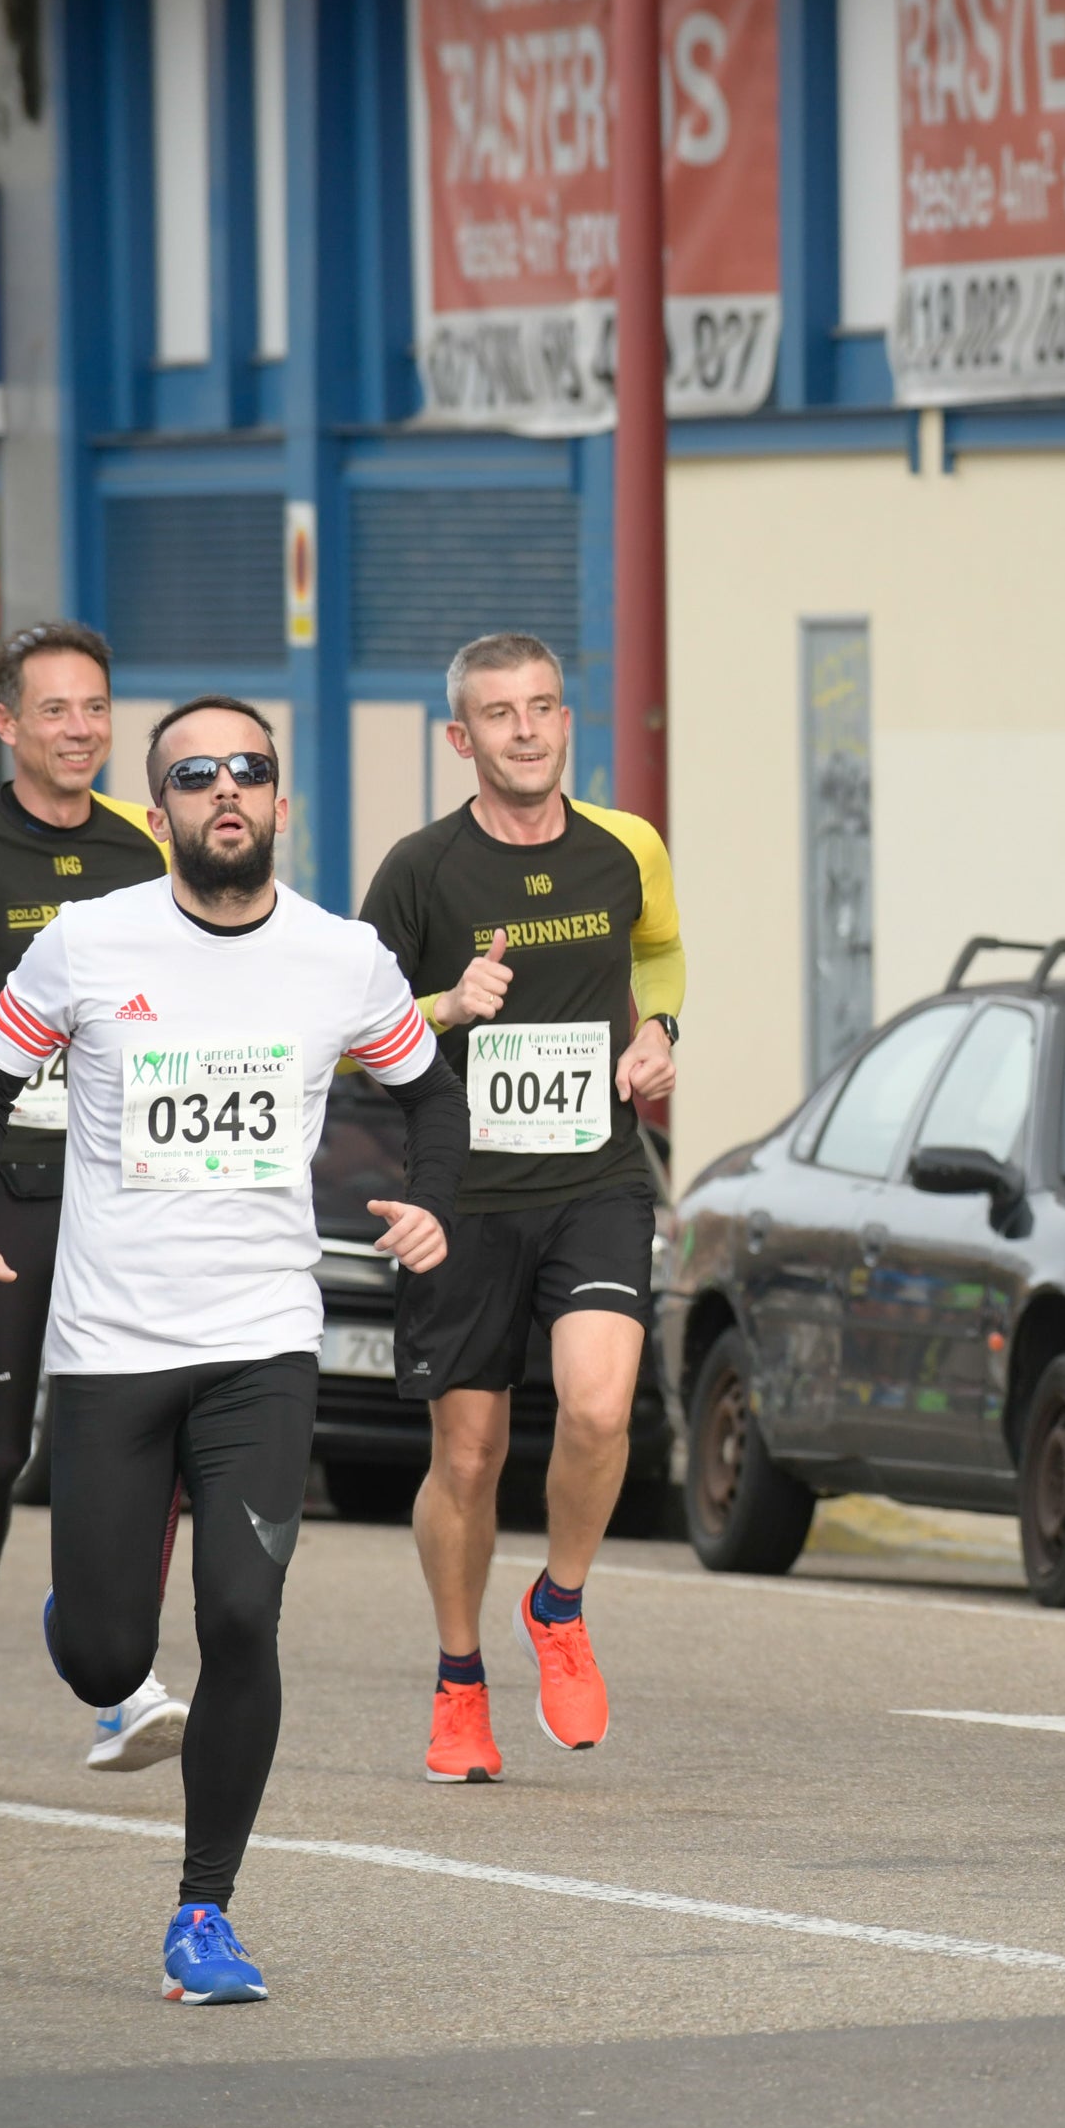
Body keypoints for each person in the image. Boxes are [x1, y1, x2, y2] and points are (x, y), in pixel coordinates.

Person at [0, 694, 465, 2003]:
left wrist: (433, 1198)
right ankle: (81, 1618)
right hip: (111, 1348)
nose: (225, 789)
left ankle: (204, 1913)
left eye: (250, 772)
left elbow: (428, 1084)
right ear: (157, 809)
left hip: (261, 1348)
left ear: (281, 805)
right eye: (194, 774)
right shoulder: (88, 946)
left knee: (239, 1613)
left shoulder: (342, 960)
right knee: (111, 1655)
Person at [359, 632, 682, 1782]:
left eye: (544, 706)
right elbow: (352, 1037)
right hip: (464, 1193)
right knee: (471, 1449)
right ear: (463, 737)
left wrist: (660, 1035)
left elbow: (664, 951)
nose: (528, 729)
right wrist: (445, 1006)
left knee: (599, 1409)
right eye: (501, 714)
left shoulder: (623, 847)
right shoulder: (418, 871)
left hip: (594, 1173)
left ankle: (559, 1601)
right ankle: (458, 1680)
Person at [0, 623, 192, 1794]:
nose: (80, 729)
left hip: (129, 1191)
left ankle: (119, 1676)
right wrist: (20, 1006)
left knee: (142, 1436)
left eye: (96, 708)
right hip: (8, 1185)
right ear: (7, 722)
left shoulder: (139, 848)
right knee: (0, 1446)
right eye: (55, 710)